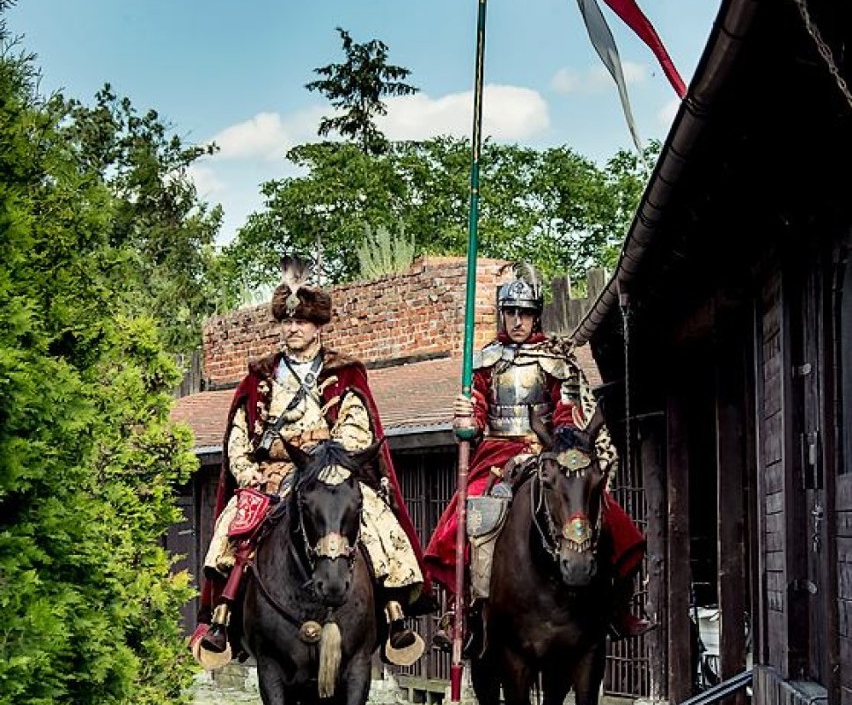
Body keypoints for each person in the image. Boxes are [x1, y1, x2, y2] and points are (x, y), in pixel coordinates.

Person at [194, 257, 431, 666]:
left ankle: (394, 615)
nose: (292, 329)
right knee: (232, 532)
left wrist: (322, 459)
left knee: (375, 519)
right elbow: (237, 436)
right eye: (286, 322)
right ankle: (224, 618)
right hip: (269, 476)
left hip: (328, 472)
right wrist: (250, 474)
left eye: (300, 322)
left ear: (318, 325)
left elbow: (357, 429)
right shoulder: (259, 377)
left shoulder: (345, 373)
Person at [424, 266, 650, 647]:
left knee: (604, 513)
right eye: (510, 312)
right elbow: (479, 405)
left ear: (535, 316)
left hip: (549, 449)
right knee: (466, 516)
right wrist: (468, 419)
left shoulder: (554, 361)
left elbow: (565, 410)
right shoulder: (485, 361)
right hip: (497, 451)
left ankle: (615, 607)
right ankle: (460, 611)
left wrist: (559, 440)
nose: (517, 321)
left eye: (524, 313)